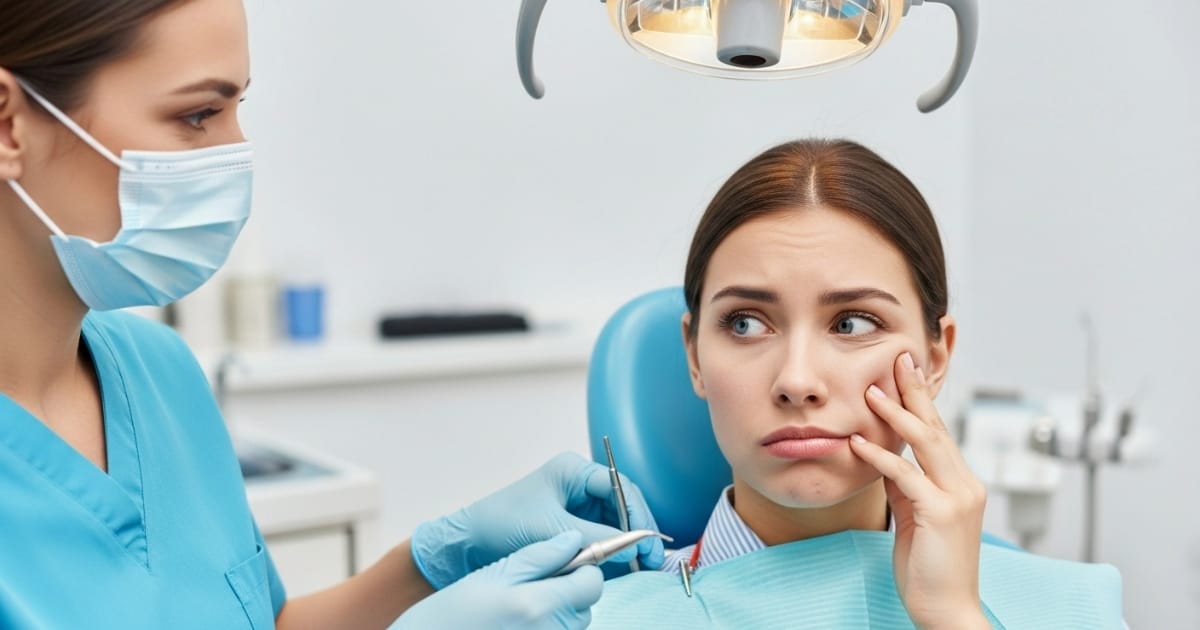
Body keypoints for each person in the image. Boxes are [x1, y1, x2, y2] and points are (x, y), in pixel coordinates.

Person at [0, 1, 663, 628]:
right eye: (198, 115)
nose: (236, 153)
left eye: (237, 109)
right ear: (9, 125)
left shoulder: (158, 371)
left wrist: (434, 559)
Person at [587, 139, 1124, 628]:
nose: (797, 381)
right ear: (694, 357)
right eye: (746, 323)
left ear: (935, 359)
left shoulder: (1074, 608)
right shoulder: (595, 617)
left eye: (852, 324)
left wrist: (955, 618)